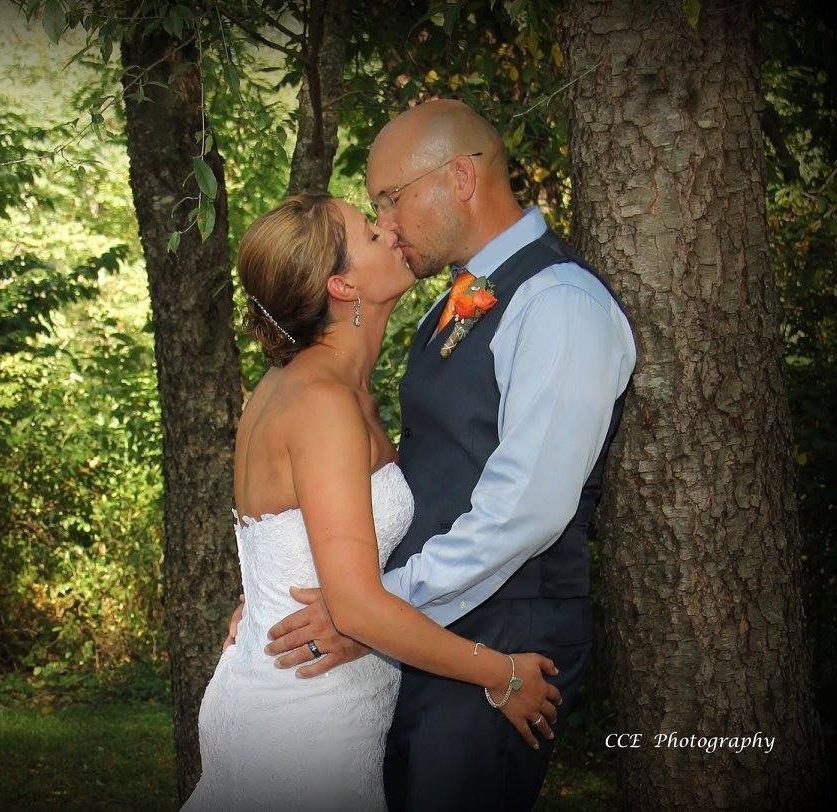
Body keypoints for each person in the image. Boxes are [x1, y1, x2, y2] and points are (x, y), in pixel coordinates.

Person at [262, 100, 636, 810]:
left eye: (390, 200)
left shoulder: (560, 302)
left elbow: (527, 510)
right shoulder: (451, 304)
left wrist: (371, 609)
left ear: (460, 176)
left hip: (508, 631)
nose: (387, 226)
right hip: (425, 625)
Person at [183, 193, 563, 811]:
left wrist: (263, 597)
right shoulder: (322, 402)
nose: (389, 228)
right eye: (368, 230)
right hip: (304, 719)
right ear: (342, 284)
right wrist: (503, 674)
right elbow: (355, 608)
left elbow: (291, 541)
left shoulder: (304, 386)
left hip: (291, 686)